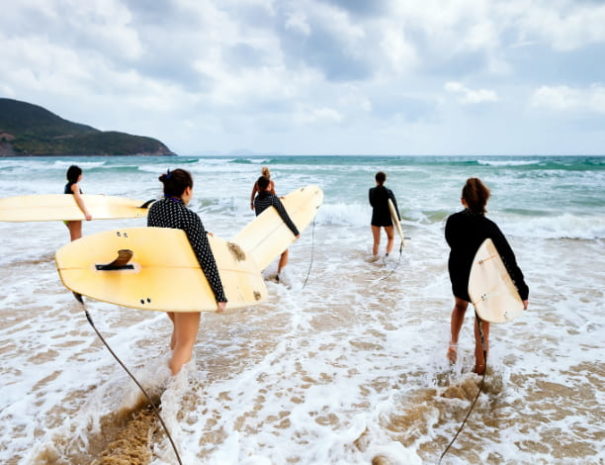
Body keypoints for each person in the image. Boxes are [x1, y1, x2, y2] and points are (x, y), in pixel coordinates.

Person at [147, 168, 227, 375]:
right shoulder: (189, 217)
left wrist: (201, 232)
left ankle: (166, 376)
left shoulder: (155, 210)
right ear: (187, 190)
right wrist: (219, 294)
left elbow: (168, 238)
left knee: (178, 334)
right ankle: (172, 394)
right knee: (186, 343)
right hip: (185, 285)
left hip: (162, 282)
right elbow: (205, 258)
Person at [445, 178, 529, 374]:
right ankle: (480, 365)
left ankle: (452, 346)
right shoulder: (489, 227)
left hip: (458, 269)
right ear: (485, 201)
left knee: (459, 305)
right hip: (482, 274)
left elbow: (450, 241)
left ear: (462, 200)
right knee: (482, 316)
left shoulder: (453, 220)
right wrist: (522, 291)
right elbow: (508, 258)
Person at [253, 175, 300, 281]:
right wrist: (295, 231)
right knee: (284, 252)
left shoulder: (257, 200)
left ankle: (258, 276)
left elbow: (259, 217)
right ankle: (279, 275)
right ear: (268, 186)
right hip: (274, 231)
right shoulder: (272, 199)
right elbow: (284, 215)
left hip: (263, 232)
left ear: (259, 187)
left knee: (266, 255)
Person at [368, 171, 400, 260]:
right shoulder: (388, 191)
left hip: (375, 217)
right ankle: (387, 256)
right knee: (391, 238)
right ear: (385, 180)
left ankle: (374, 259)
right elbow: (394, 205)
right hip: (386, 217)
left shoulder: (371, 191)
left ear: (375, 180)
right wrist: (398, 220)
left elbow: (372, 204)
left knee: (376, 242)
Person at [64, 165, 92, 241]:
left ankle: (74, 252)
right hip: (73, 214)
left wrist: (97, 197)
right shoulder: (75, 186)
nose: (82, 176)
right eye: (81, 174)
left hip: (67, 214)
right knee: (76, 239)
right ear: (78, 176)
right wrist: (86, 212)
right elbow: (78, 199)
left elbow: (81, 197)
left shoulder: (67, 185)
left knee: (75, 238)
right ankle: (73, 253)